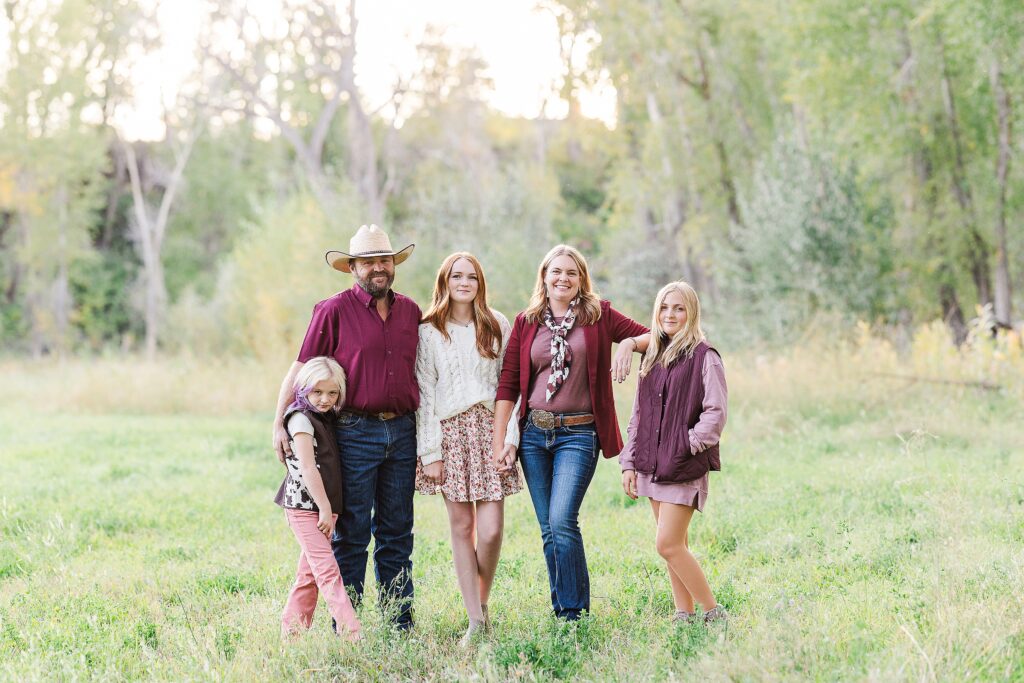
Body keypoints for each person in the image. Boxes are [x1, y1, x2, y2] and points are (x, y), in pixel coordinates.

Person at [272, 224, 420, 631]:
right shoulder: (333, 310)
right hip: (354, 432)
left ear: (393, 264)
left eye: (385, 260)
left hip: (403, 432)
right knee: (351, 532)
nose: (378, 268)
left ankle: (398, 623)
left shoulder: (410, 310)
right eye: (369, 262)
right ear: (352, 267)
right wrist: (278, 421)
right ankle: (345, 626)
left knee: (397, 532)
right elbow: (300, 368)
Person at [492, 245, 650, 621]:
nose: (563, 278)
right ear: (544, 276)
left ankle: (573, 614)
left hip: (579, 435)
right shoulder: (527, 322)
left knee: (562, 519)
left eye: (571, 272)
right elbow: (508, 384)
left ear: (581, 279)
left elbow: (652, 336)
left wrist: (627, 343)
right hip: (533, 435)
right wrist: (501, 441)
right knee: (549, 528)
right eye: (556, 271)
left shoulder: (599, 315)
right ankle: (564, 608)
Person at [414, 252, 523, 644]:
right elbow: (425, 392)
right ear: (444, 282)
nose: (464, 283)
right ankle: (475, 620)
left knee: (491, 532)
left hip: (489, 427)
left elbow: (512, 386)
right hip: (450, 433)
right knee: (462, 527)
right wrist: (430, 452)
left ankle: (482, 600)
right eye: (456, 276)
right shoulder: (429, 330)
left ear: (480, 283)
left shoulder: (497, 324)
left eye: (471, 277)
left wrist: (510, 437)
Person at [619, 281, 727, 624]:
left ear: (691, 312)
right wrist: (629, 463)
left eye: (679, 308)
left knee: (667, 544)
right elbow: (639, 416)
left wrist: (687, 444)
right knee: (674, 546)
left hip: (682, 465)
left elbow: (716, 413)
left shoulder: (704, 357)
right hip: (651, 464)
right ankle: (685, 615)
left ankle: (714, 613)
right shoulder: (652, 357)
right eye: (665, 308)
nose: (670, 314)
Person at [274, 357, 362, 642]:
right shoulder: (300, 419)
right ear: (304, 389)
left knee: (309, 576)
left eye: (332, 393)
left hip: (325, 509)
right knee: (328, 572)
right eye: (317, 392)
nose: (324, 399)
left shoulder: (325, 417)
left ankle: (292, 635)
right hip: (306, 508)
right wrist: (325, 508)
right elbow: (308, 468)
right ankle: (353, 635)